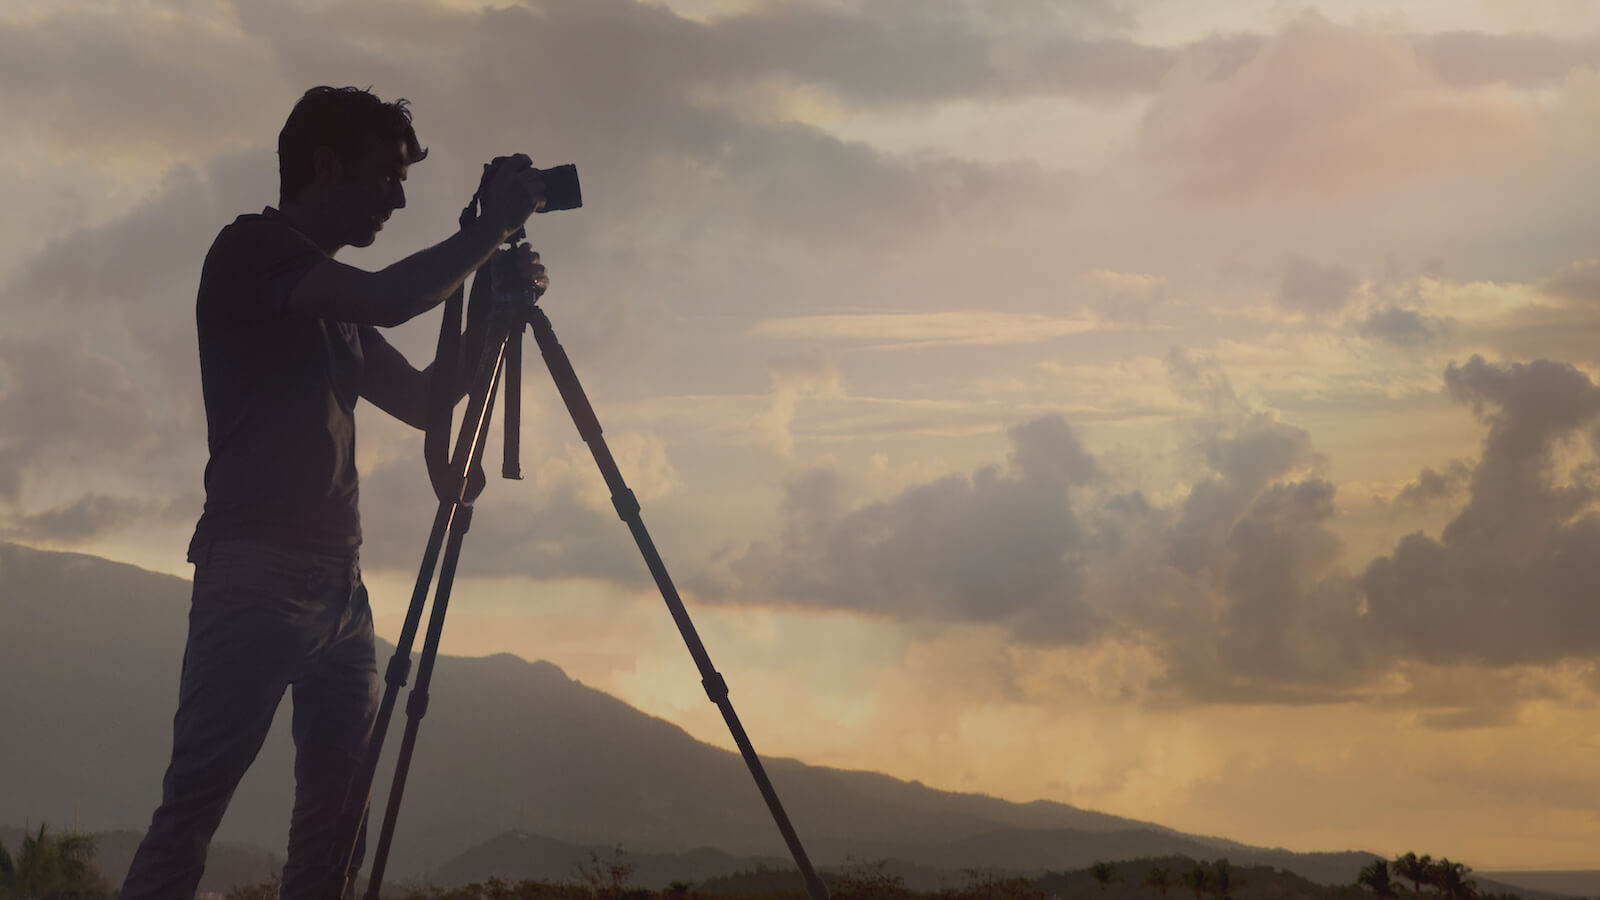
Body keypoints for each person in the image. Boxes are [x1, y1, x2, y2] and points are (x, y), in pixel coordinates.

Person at [119, 86, 548, 900]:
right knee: (191, 820)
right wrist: (486, 233)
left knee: (334, 830)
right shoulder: (252, 250)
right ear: (324, 165)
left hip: (340, 587)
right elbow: (391, 294)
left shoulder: (333, 300)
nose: (399, 197)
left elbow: (426, 401)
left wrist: (492, 313)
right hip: (254, 572)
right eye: (386, 176)